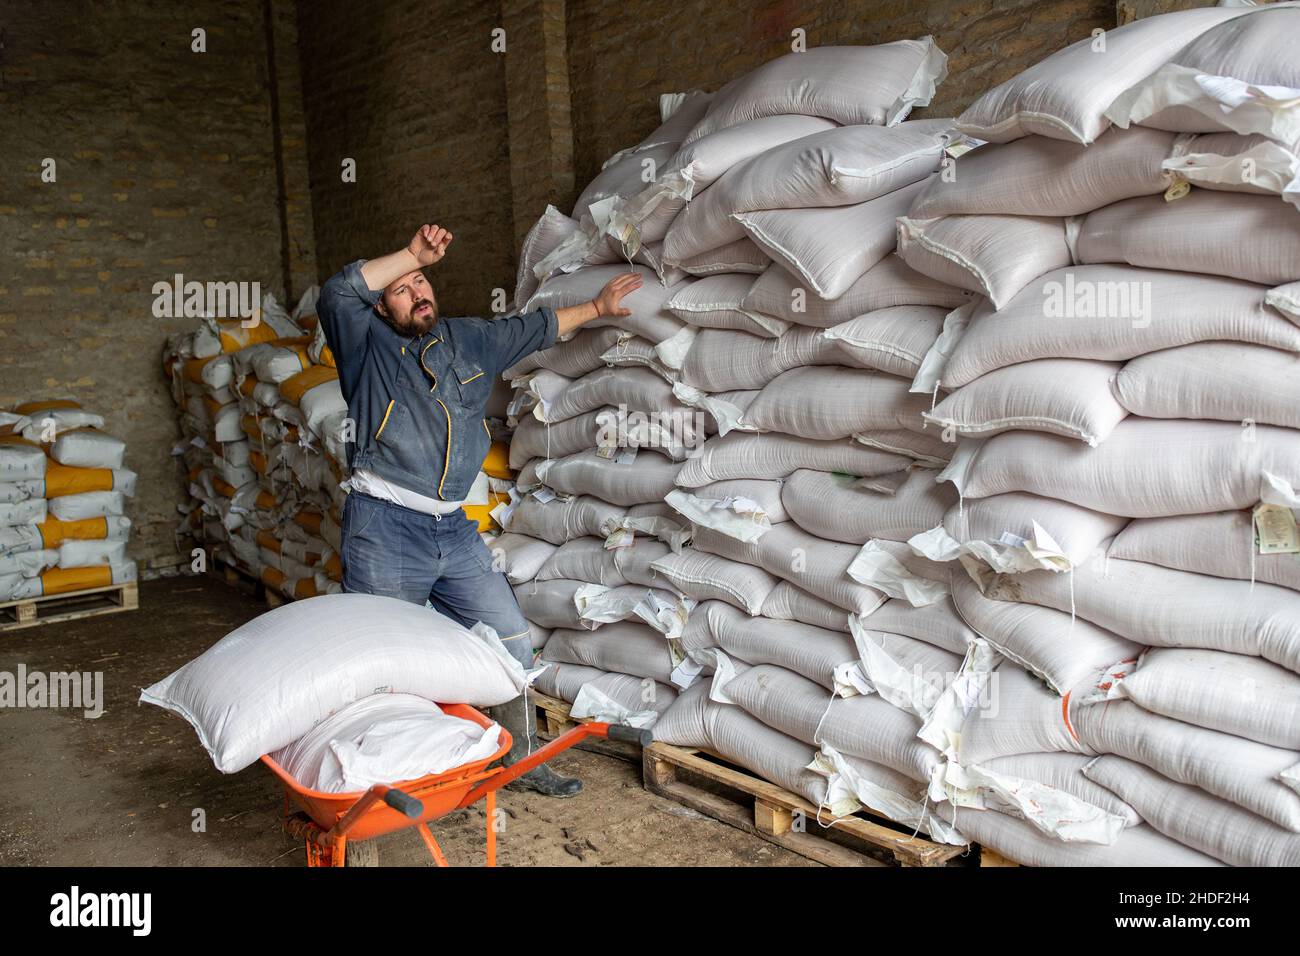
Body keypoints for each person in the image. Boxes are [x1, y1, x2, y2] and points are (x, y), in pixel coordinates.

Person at [317, 223, 642, 797]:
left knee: (510, 640)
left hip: (452, 529)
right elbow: (336, 293)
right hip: (385, 527)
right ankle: (387, 778)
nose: (417, 292)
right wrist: (410, 254)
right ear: (380, 303)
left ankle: (516, 763)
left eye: (422, 282)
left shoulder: (467, 340)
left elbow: (533, 328)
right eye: (400, 286)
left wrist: (596, 305)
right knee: (386, 659)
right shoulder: (364, 345)